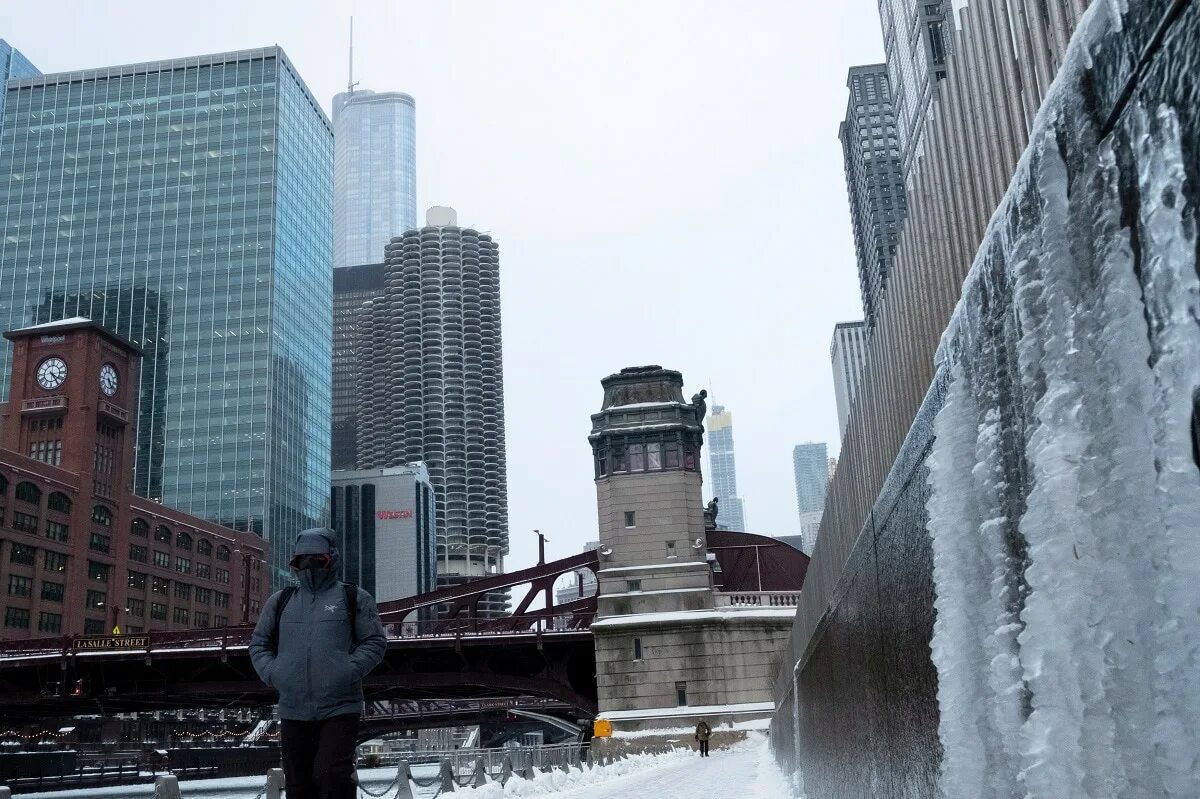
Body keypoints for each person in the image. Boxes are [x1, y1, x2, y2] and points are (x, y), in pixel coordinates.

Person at [250, 528, 387, 799]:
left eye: (317, 559)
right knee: (298, 785)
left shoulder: (354, 597)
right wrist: (274, 673)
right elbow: (259, 643)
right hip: (293, 708)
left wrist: (348, 670)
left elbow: (375, 641)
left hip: (340, 706)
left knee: (332, 774)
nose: (309, 566)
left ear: (331, 558)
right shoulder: (280, 601)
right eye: (302, 560)